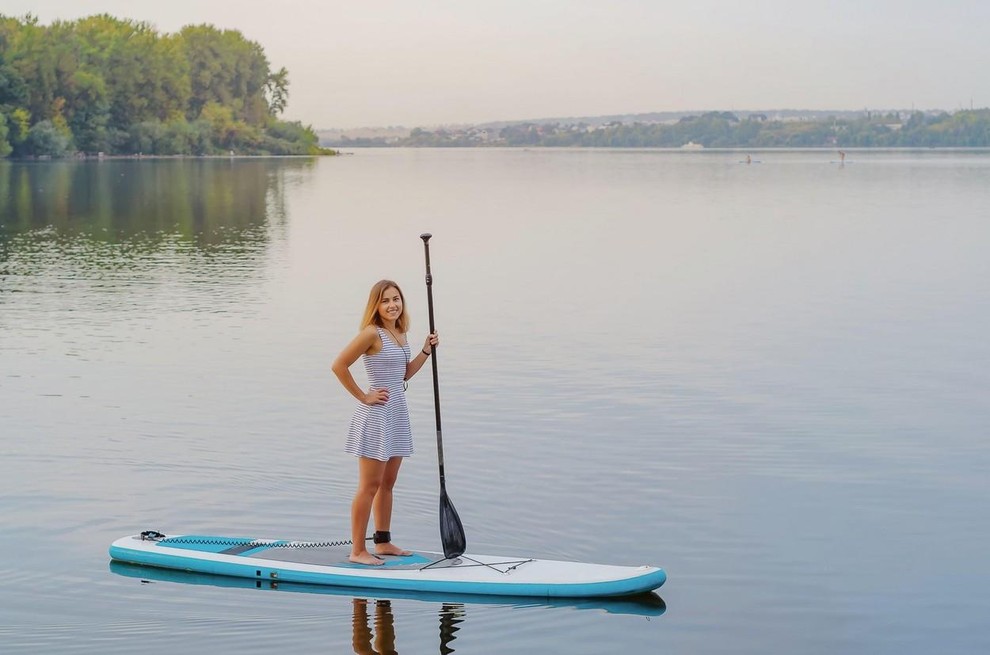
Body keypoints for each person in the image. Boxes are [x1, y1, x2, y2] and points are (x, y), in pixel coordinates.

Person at [332, 279, 439, 565]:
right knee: (369, 485)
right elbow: (338, 365)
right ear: (375, 306)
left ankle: (383, 542)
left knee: (388, 483)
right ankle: (358, 550)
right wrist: (363, 396)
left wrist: (426, 351)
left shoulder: (399, 332)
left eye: (396, 299)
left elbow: (403, 375)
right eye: (386, 300)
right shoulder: (371, 333)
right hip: (376, 415)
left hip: (397, 413)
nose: (393, 305)